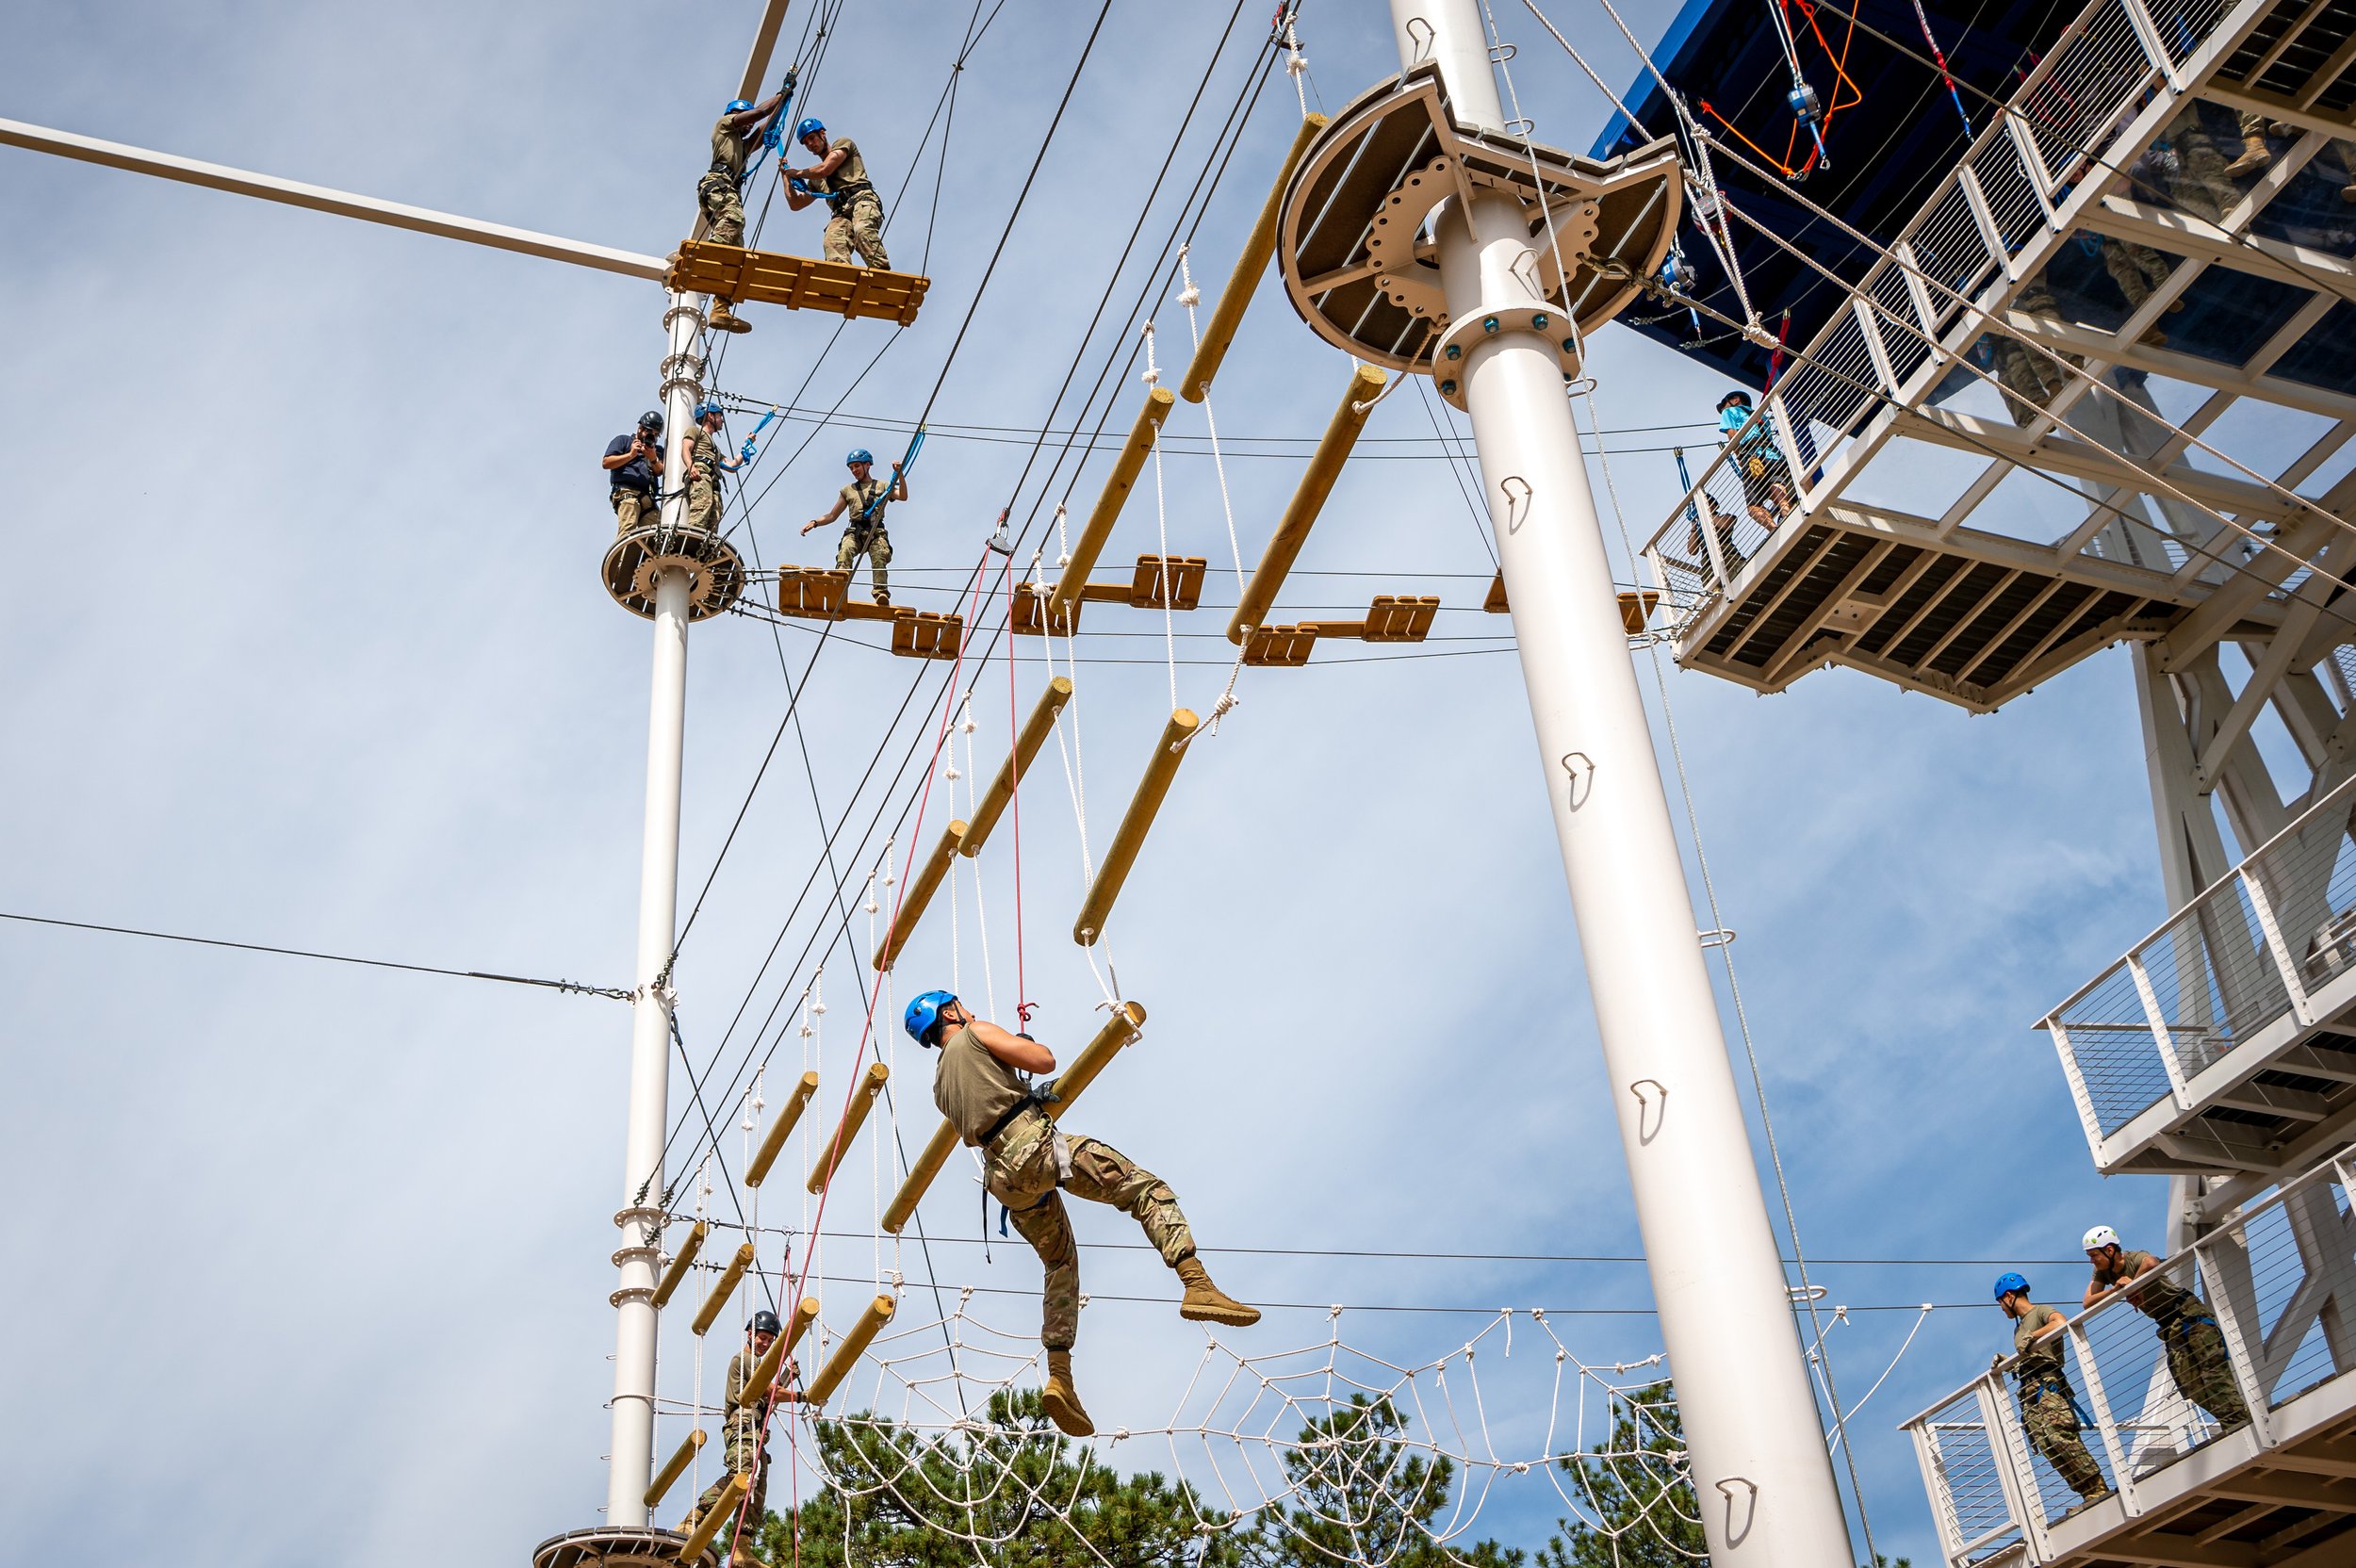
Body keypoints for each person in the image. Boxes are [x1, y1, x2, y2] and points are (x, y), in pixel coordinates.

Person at [906, 989, 1259, 1439]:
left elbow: (988, 1102)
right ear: (949, 1013)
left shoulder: (940, 1086)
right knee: (1143, 1188)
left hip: (1004, 1180)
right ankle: (1197, 1284)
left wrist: (1017, 1086)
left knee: (1059, 1264)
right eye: (962, 1006)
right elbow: (1044, 1061)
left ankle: (1060, 1375)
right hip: (1031, 1148)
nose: (969, 1010)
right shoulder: (975, 1033)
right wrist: (1022, 1045)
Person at [2082, 1225, 2250, 1431]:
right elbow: (2088, 1302)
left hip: (2189, 1315)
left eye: (2094, 1255)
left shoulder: (2134, 1258)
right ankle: (2237, 1419)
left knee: (2213, 1372)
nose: (2092, 1260)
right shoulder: (2103, 1272)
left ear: (2109, 1250)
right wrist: (2117, 1289)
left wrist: (2134, 1285)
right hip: (2169, 1326)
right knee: (2189, 1384)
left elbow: (2151, 1262)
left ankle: (2239, 1423)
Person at [1994, 1271, 2113, 1515]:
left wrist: (2033, 1335)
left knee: (2059, 1436)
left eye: (2000, 1304)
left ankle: (2098, 1487)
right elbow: (2031, 1353)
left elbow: (2060, 1323)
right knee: (2047, 1443)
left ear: (2008, 1296)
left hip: (2048, 1387)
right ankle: (2087, 1492)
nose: (2002, 1310)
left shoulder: (2039, 1312)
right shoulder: (2018, 1330)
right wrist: (2010, 1362)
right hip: (2030, 1392)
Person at [685, 1309, 801, 1558]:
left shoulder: (759, 1366)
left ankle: (743, 1544)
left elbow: (767, 1402)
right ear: (750, 1333)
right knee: (743, 1474)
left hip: (755, 1430)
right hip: (742, 1426)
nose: (765, 1344)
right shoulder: (745, 1360)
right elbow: (769, 1392)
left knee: (757, 1482)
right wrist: (802, 1396)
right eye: (762, 1338)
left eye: (770, 1341)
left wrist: (786, 1378)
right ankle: (694, 1518)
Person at [698, 88, 792, 335]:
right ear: (735, 115)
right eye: (745, 118)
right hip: (717, 183)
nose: (749, 126)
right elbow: (760, 113)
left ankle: (720, 310)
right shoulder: (724, 126)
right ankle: (707, 257)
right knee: (733, 219)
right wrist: (781, 94)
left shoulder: (741, 144)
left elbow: (762, 128)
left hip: (728, 189)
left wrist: (782, 105)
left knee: (736, 256)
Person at [783, 118, 892, 270]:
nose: (810, 144)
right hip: (841, 213)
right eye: (806, 143)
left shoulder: (843, 144)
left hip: (861, 200)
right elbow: (796, 204)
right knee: (832, 240)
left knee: (863, 231)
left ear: (823, 134)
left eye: (812, 138)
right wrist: (785, 176)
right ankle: (841, 279)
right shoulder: (816, 180)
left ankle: (882, 275)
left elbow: (825, 169)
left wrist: (797, 173)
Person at [800, 449, 905, 606]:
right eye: (851, 468)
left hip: (875, 532)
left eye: (857, 466)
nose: (854, 471)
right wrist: (815, 523)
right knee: (846, 550)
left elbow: (903, 496)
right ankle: (838, 588)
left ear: (867, 465)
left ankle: (881, 593)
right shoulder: (848, 490)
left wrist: (900, 475)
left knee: (879, 557)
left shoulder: (883, 486)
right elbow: (832, 515)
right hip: (854, 532)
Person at [1715, 390, 1793, 527]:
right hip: (1774, 456)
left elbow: (1732, 434)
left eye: (1724, 405)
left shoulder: (1729, 412)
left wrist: (1739, 456)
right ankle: (1786, 512)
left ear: (1735, 400)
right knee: (1776, 487)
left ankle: (1774, 529)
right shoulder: (1761, 416)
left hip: (1752, 458)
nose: (1723, 409)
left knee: (1753, 506)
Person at [679, 402, 745, 536]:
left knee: (715, 515)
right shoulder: (695, 431)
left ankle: (705, 543)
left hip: (713, 479)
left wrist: (746, 448)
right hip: (701, 472)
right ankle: (692, 536)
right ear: (710, 416)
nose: (722, 420)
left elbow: (732, 466)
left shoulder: (716, 450)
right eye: (720, 416)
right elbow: (686, 449)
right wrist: (691, 466)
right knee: (703, 504)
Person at [604, 410, 666, 535]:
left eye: (655, 434)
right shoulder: (624, 441)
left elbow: (660, 470)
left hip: (648, 498)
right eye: (649, 432)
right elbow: (607, 463)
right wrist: (631, 455)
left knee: (657, 535)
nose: (651, 436)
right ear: (640, 428)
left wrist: (653, 458)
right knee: (628, 530)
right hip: (628, 492)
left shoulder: (657, 451)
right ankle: (624, 554)